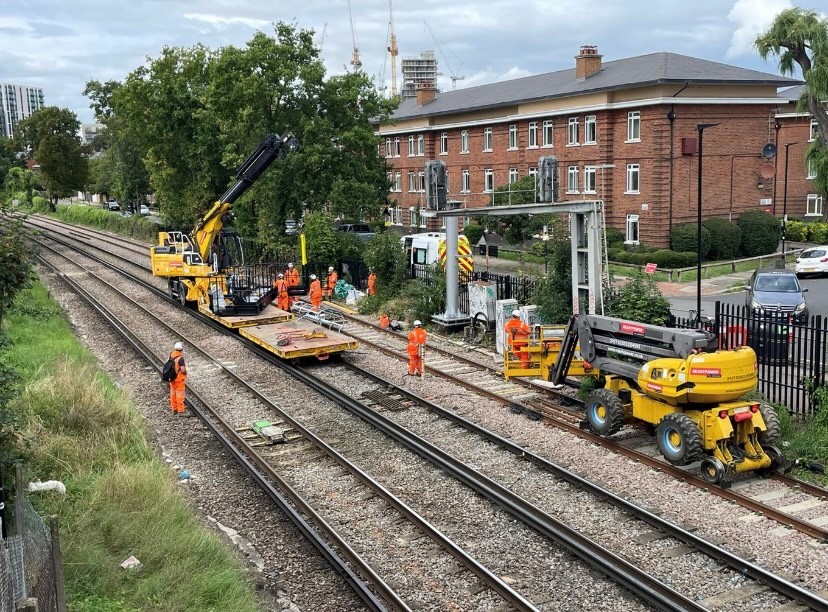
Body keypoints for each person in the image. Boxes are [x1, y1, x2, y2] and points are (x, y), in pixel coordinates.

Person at [168, 341, 189, 415]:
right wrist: (185, 372)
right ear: (182, 349)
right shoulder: (180, 358)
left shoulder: (171, 355)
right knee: (180, 395)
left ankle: (174, 409)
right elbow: (183, 370)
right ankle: (180, 411)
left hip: (172, 378)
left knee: (173, 394)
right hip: (179, 379)